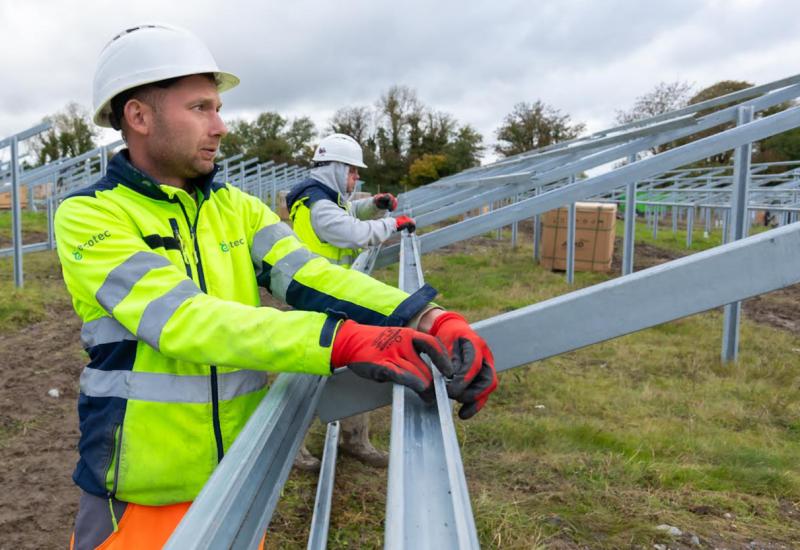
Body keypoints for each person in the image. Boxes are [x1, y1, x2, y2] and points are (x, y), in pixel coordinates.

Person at [56, 24, 497, 549]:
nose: (220, 126)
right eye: (200, 108)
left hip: (240, 475)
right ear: (139, 117)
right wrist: (338, 341)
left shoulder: (236, 208)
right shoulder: (90, 215)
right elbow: (181, 319)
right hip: (139, 496)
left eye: (218, 108)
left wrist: (424, 316)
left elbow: (310, 275)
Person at [286, 133, 415, 469]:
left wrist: (374, 205)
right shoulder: (318, 204)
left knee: (355, 361)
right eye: (353, 171)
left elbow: (351, 211)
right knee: (309, 371)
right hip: (319, 295)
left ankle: (355, 439)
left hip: (336, 293)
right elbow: (353, 232)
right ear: (335, 167)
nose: (356, 178)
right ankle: (292, 446)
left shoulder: (326, 197)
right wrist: (392, 223)